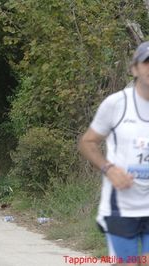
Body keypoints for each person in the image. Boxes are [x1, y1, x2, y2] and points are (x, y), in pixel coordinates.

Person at [79, 41, 149, 264]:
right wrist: (109, 169)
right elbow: (87, 142)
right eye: (147, 63)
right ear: (134, 69)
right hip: (121, 209)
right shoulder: (117, 104)